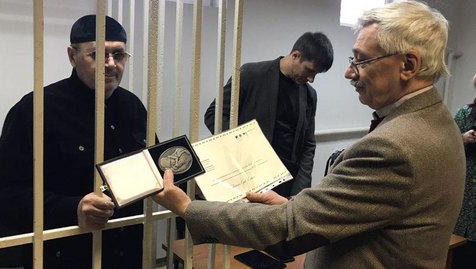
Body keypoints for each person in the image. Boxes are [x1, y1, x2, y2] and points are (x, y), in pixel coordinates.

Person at [153, 1, 465, 268]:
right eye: (353, 59)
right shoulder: (440, 122)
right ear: (296, 55)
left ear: (408, 65)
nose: (349, 72)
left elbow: (291, 225)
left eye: (361, 60)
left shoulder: (394, 147)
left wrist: (186, 207)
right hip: (248, 185)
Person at [0, 15, 149, 268]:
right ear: (72, 56)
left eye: (119, 54)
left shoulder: (132, 106)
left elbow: (150, 166)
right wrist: (74, 208)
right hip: (66, 252)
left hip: (128, 248)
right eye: (97, 54)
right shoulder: (36, 109)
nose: (111, 64)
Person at [204, 32, 333, 197]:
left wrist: (300, 189)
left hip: (287, 186)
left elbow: (308, 144)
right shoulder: (251, 74)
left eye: (316, 74)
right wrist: (242, 149)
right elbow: (213, 115)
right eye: (309, 70)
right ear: (295, 55)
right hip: (245, 179)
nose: (311, 78)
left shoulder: (310, 95)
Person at [452, 73, 476, 268]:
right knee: (457, 257)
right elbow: (445, 146)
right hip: (462, 192)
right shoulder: (464, 113)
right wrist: (462, 138)